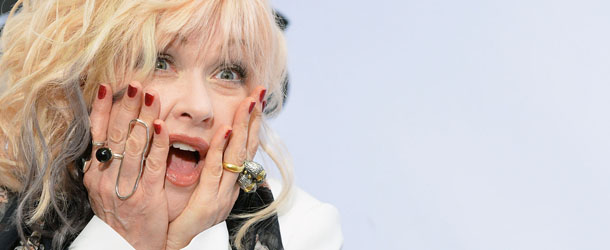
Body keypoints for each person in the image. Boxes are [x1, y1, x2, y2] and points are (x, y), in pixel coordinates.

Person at [0, 0, 342, 249]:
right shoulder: (10, 213)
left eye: (228, 73)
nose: (198, 106)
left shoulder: (304, 228)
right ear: (85, 81)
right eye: (159, 62)